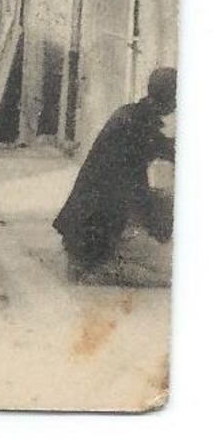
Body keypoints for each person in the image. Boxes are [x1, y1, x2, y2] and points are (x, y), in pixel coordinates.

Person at [53, 66, 177, 284]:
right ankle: (97, 269)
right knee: (175, 274)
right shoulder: (140, 127)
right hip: (93, 236)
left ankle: (91, 264)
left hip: (79, 229)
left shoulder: (129, 114)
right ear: (171, 101)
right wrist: (160, 229)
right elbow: (139, 193)